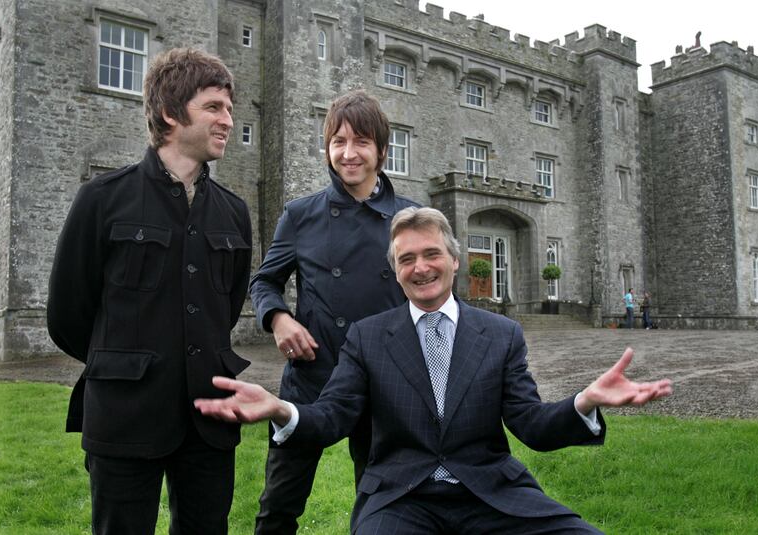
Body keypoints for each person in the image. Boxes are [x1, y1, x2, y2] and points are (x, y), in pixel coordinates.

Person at [196, 207, 673, 534]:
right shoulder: (368, 336)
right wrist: (283, 409)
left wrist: (584, 402)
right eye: (406, 259)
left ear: (454, 260)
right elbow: (333, 416)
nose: (420, 267)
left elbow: (532, 425)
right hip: (401, 500)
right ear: (395, 269)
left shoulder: (501, 334)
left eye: (431, 255)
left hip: (491, 494)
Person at [47, 48, 252, 535]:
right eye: (214, 107)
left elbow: (222, 309)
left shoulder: (234, 212)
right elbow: (68, 315)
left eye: (229, 108)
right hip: (124, 416)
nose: (228, 120)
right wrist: (127, 361)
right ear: (169, 113)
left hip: (210, 415)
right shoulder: (102, 199)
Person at [248, 90, 419, 534]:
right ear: (327, 147)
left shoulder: (411, 218)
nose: (349, 153)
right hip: (311, 379)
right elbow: (264, 281)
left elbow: (433, 299)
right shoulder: (301, 215)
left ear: (382, 149)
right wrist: (279, 319)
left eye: (361, 141)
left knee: (382, 506)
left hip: (383, 382)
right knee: (278, 505)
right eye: (338, 141)